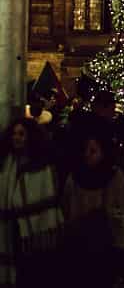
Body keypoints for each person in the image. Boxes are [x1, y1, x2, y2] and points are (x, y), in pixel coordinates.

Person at [62, 134, 124, 288]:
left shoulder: (115, 177)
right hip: (79, 244)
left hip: (106, 244)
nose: (87, 155)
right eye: (85, 150)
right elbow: (67, 209)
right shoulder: (75, 176)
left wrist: (121, 245)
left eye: (93, 151)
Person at [0, 118, 63, 287]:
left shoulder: (42, 165)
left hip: (36, 235)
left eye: (21, 134)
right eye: (14, 134)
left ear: (31, 136)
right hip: (12, 229)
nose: (16, 138)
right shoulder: (6, 164)